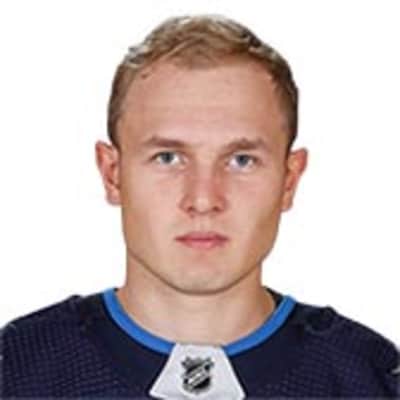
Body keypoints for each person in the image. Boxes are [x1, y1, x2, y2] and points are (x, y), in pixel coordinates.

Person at [1, 14, 399, 399]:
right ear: (112, 174)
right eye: (168, 158)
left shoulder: (373, 381)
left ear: (289, 180)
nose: (204, 199)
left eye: (241, 160)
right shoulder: (15, 373)